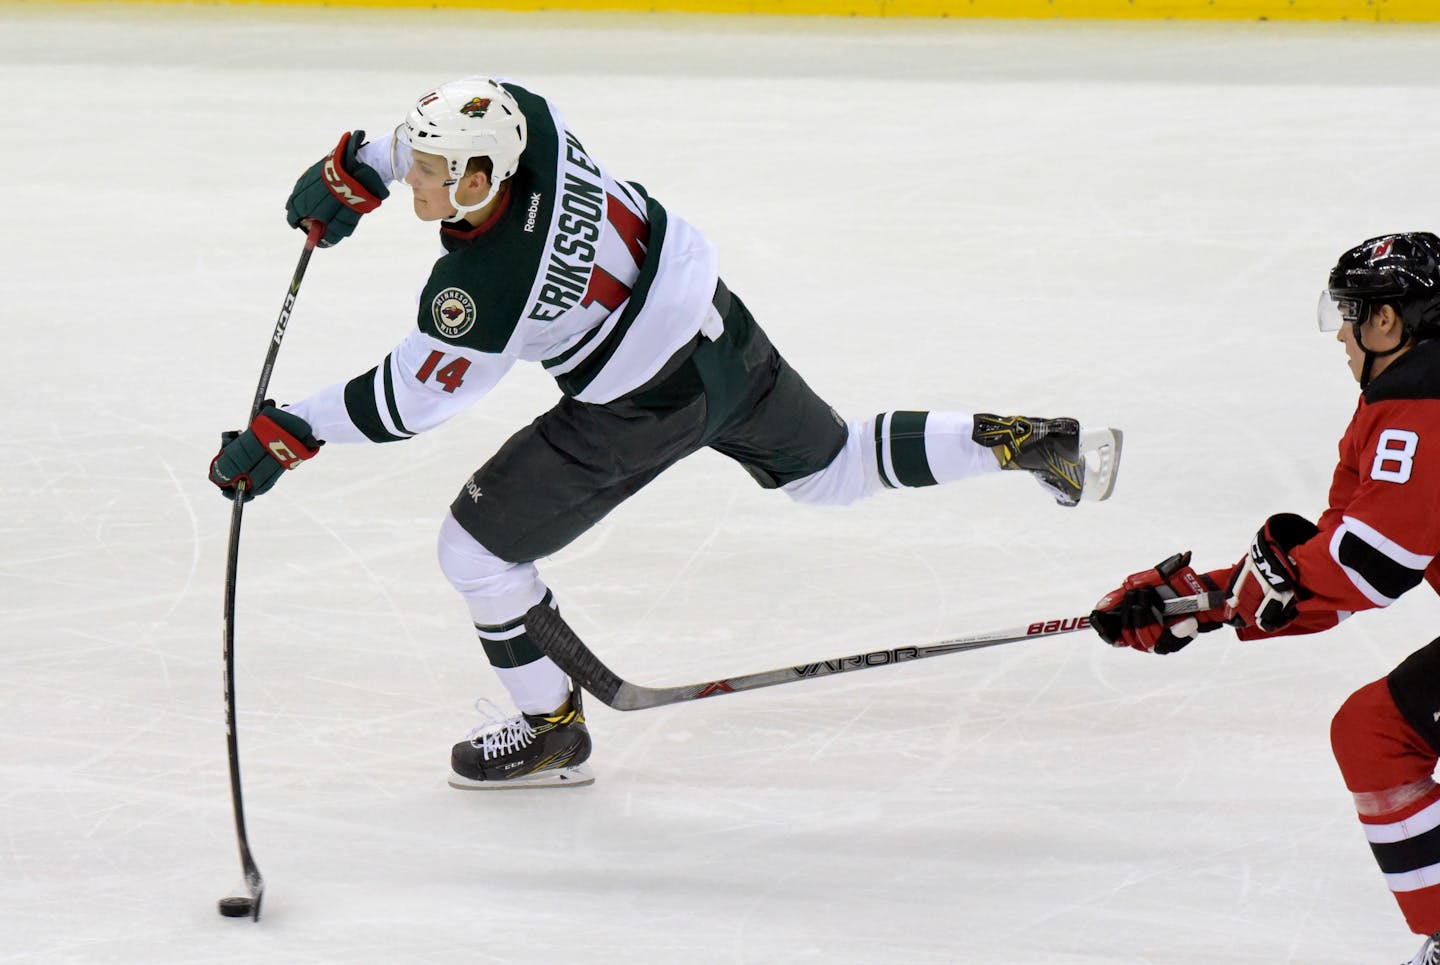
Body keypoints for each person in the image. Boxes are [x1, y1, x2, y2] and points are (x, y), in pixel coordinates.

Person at [209, 76, 1123, 792]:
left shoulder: (482, 289)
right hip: (716, 329)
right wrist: (361, 165)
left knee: (475, 555)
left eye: (430, 173)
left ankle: (550, 729)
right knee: (836, 461)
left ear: (480, 181)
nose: (417, 175)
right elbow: (442, 128)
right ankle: (1019, 439)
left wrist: (292, 428)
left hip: (642, 406)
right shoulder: (526, 117)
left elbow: (411, 401)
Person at [1089, 231, 1440, 965]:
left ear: (1391, 321)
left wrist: (1207, 603)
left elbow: (1366, 568)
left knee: (1378, 734)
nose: (1342, 331)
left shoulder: (1422, 410)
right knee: (1372, 730)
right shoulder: (1400, 401)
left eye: (1353, 311)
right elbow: (1340, 556)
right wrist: (1201, 599)